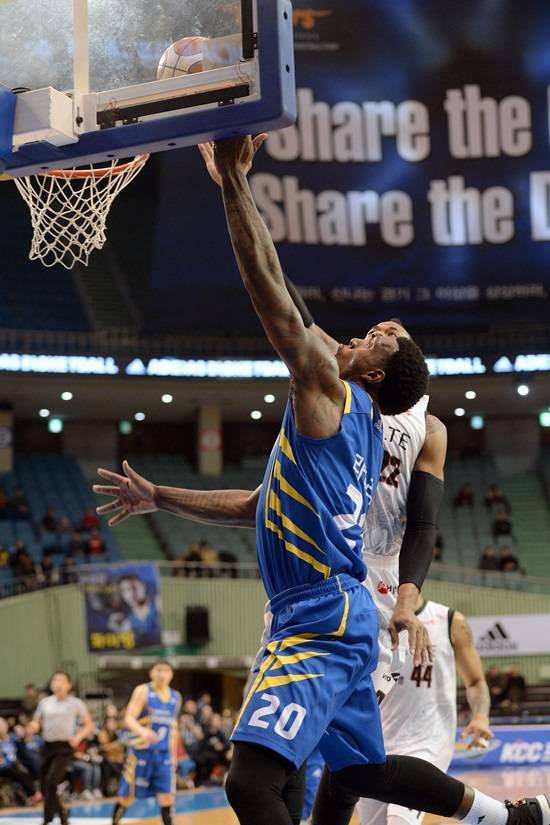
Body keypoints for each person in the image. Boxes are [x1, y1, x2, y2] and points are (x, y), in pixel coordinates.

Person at [93, 136, 548, 825]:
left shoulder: (329, 394)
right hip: (342, 610)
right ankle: (510, 819)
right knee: (362, 770)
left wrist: (234, 183)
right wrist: (160, 496)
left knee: (251, 784)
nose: (364, 333)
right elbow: (253, 504)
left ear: (371, 372)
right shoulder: (351, 418)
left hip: (319, 616)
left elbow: (271, 294)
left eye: (377, 339)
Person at [355, 596, 492, 825]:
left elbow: (476, 681)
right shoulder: (372, 618)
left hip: (428, 739)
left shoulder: (450, 621)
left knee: (401, 819)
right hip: (377, 741)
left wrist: (480, 716)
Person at [112, 661, 181, 825]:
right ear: (151, 673)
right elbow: (129, 718)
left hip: (163, 754)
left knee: (167, 796)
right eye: (158, 670)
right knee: (127, 797)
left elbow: (173, 728)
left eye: (166, 670)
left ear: (171, 674)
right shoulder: (143, 691)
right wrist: (143, 731)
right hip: (141, 752)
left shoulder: (176, 696)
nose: (162, 674)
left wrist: (174, 755)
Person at [29, 671, 93, 825]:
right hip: (47, 746)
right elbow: (37, 721)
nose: (58, 683)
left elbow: (88, 724)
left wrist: (78, 737)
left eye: (62, 680)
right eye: (55, 680)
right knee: (44, 786)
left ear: (69, 685)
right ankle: (55, 814)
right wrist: (33, 726)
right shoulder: (45, 703)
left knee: (51, 782)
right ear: (51, 685)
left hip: (64, 747)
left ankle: (54, 816)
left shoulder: (76, 703)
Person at [0, 716, 40, 804]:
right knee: (18, 772)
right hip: (4, 767)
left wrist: (22, 734)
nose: (2, 727)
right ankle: (33, 794)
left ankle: (33, 793)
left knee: (30, 766)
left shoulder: (12, 738)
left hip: (16, 764)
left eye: (3, 724)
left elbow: (22, 748)